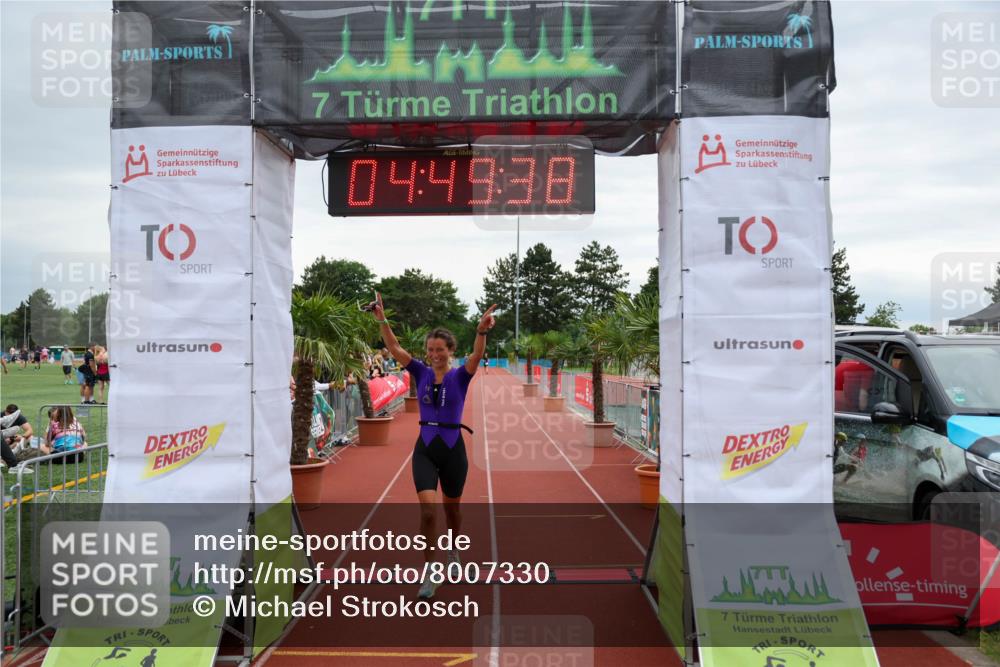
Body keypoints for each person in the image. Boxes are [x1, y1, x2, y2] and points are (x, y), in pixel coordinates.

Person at [369, 292, 496, 599]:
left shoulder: (461, 377)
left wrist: (480, 331)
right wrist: (382, 319)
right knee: (428, 512)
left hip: (453, 449)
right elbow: (394, 348)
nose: (435, 354)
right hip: (425, 447)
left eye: (440, 349)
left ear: (450, 351)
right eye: (430, 349)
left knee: (452, 511)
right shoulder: (421, 372)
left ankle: (453, 550)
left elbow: (477, 355)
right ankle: (429, 571)